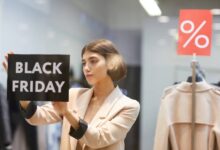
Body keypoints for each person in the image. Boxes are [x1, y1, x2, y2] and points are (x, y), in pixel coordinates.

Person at [2, 39, 140, 150]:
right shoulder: (74, 94)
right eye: (84, 62)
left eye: (93, 61)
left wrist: (67, 113)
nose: (86, 68)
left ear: (111, 64)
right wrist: (20, 86)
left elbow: (98, 139)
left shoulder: (128, 106)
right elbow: (37, 117)